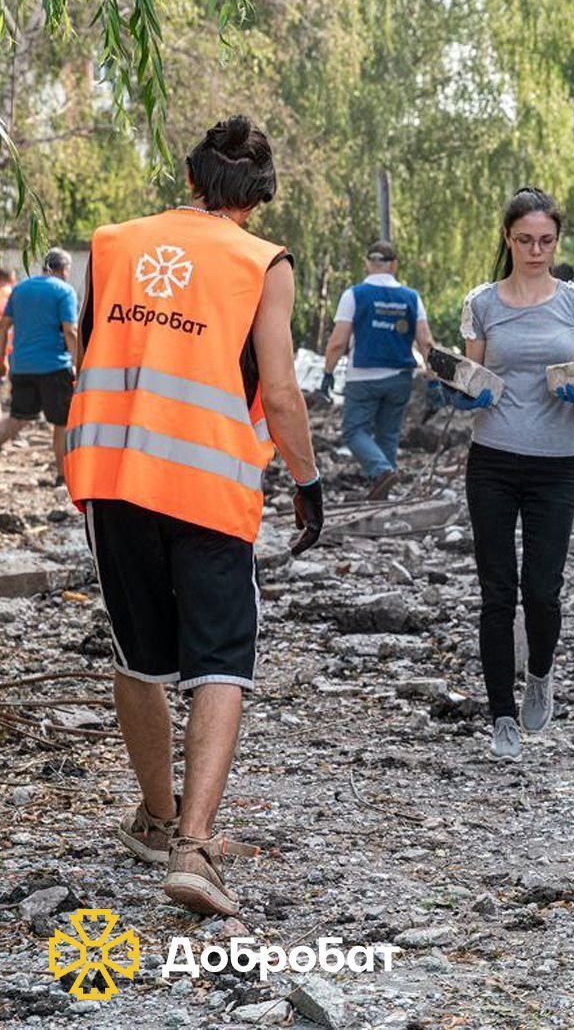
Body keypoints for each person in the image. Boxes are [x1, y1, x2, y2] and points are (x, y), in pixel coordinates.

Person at [63, 115, 324, 918]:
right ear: (258, 196)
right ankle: (196, 847)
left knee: (137, 650)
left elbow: (89, 350)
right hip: (208, 483)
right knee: (220, 658)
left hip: (112, 472)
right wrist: (307, 482)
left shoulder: (112, 244)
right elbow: (279, 392)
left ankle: (156, 816)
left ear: (191, 179)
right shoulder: (261, 262)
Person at [448, 187, 574, 761]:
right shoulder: (482, 302)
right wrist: (462, 393)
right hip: (492, 458)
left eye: (546, 240)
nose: (535, 251)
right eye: (524, 240)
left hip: (556, 463)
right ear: (508, 239)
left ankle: (539, 672)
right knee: (496, 592)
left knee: (542, 590)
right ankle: (501, 716)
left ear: (556, 240)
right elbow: (473, 373)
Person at [317, 240, 433, 499]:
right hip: (400, 378)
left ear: (369, 264)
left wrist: (327, 373)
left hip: (363, 377)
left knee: (353, 431)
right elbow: (426, 342)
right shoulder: (411, 297)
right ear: (393, 265)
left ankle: (381, 471)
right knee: (388, 434)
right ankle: (382, 489)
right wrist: (434, 379)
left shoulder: (354, 295)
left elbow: (338, 341)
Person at [0, 248, 80, 483]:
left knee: (17, 420)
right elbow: (70, 331)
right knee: (61, 422)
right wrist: (78, 365)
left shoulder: (21, 288)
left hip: (22, 367)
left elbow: (4, 325)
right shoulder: (65, 291)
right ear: (64, 270)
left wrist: (2, 358)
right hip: (54, 367)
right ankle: (62, 476)